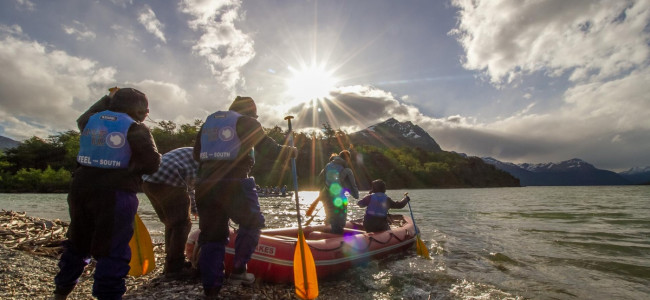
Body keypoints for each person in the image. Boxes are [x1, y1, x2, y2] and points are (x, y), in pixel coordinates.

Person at [53, 88, 161, 300]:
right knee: (113, 248)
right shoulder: (136, 128)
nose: (147, 113)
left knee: (78, 242)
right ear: (138, 109)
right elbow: (152, 163)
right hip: (116, 193)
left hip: (80, 188)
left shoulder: (89, 121)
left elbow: (83, 117)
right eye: (145, 109)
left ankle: (61, 292)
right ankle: (108, 295)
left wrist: (108, 98)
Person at [193, 96, 297, 299]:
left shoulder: (208, 124)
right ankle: (239, 271)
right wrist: (290, 151)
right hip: (234, 182)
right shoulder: (247, 121)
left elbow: (198, 154)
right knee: (252, 223)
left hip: (205, 184)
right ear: (251, 112)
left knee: (212, 235)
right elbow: (268, 149)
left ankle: (211, 289)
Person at [141, 147, 198, 280]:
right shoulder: (207, 161)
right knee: (182, 224)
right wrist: (197, 208)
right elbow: (198, 187)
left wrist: (194, 208)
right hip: (168, 180)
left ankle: (170, 261)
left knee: (171, 222)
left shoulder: (192, 151)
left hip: (148, 180)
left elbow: (189, 187)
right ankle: (175, 267)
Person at [317, 150, 359, 234]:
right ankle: (337, 232)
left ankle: (329, 228)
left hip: (327, 193)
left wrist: (322, 194)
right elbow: (350, 183)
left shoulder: (328, 165)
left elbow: (321, 178)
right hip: (338, 194)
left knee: (331, 214)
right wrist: (355, 195)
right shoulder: (345, 168)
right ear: (347, 159)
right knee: (340, 215)